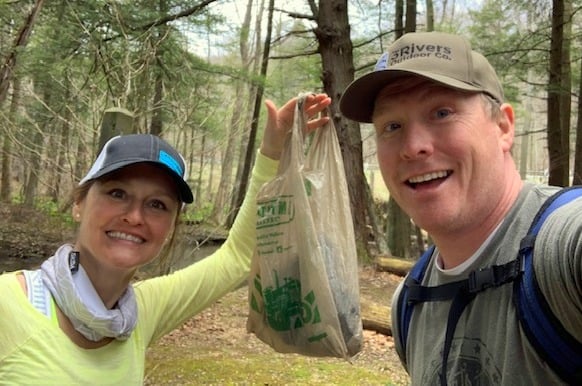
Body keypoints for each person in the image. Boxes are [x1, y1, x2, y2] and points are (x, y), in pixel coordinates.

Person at [0, 93, 331, 384]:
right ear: (78, 204)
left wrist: (271, 151)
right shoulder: (9, 305)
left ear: (171, 225)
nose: (135, 216)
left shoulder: (140, 314)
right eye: (117, 193)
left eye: (157, 204)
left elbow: (238, 258)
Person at [339, 31, 582, 385]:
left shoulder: (561, 250)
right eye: (392, 126)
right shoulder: (410, 304)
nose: (413, 147)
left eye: (441, 112)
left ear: (503, 127)